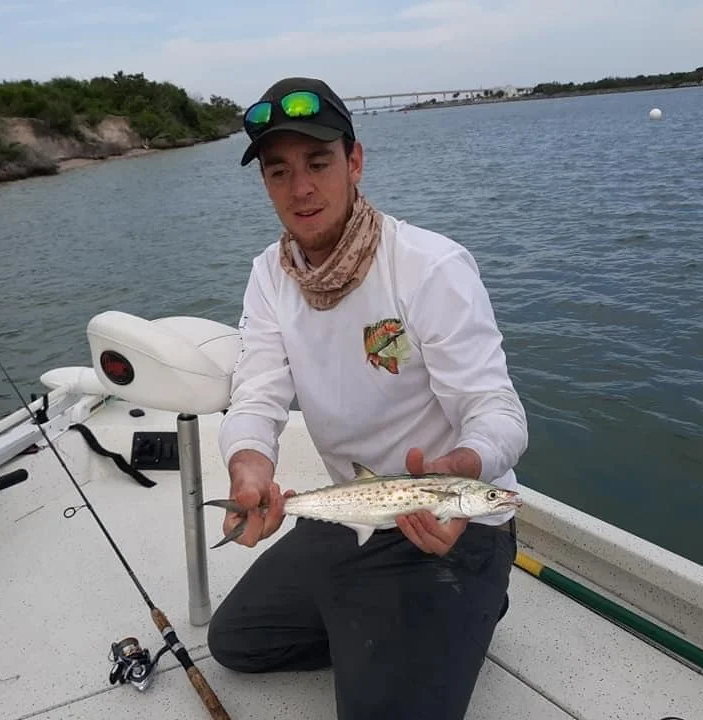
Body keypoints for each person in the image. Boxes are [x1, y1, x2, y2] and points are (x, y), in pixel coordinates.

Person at [207, 76, 529, 720]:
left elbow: (498, 410)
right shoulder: (270, 275)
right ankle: (389, 626)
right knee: (235, 641)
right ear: (265, 183)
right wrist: (249, 467)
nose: (301, 189)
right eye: (279, 172)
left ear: (354, 162)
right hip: (358, 508)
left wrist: (462, 466)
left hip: (451, 524)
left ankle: (470, 601)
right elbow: (258, 393)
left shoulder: (428, 266)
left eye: (319, 163)